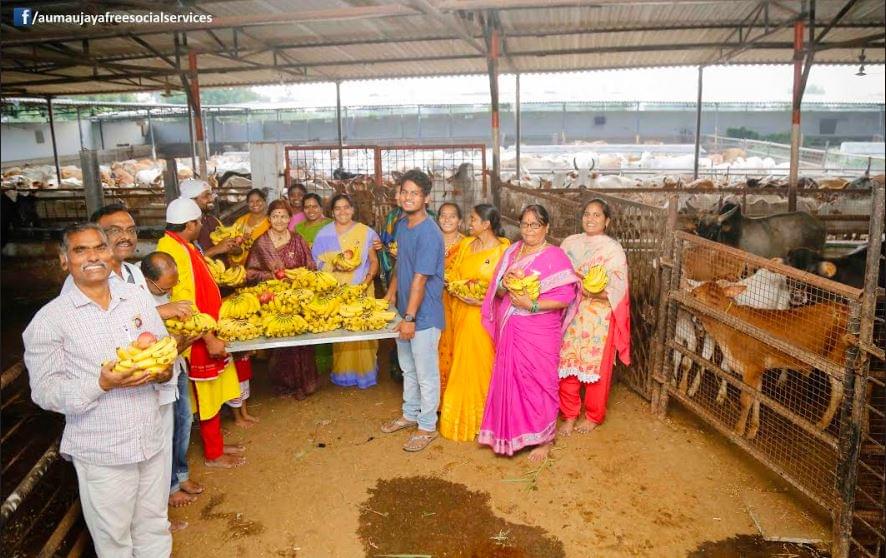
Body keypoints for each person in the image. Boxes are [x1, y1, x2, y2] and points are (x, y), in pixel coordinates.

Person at [24, 223, 174, 556]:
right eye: (81, 250)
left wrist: (163, 372)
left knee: (154, 524)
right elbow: (44, 391)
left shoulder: (137, 298)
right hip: (102, 450)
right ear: (64, 260)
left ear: (111, 254)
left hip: (150, 436)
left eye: (100, 248)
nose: (93, 257)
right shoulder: (50, 320)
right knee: (114, 540)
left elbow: (164, 352)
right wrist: (100, 384)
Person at [479, 204, 578, 462]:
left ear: (546, 227)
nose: (529, 229)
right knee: (511, 380)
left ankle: (544, 439)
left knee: (539, 381)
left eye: (535, 225)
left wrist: (531, 304)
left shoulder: (555, 256)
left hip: (539, 330)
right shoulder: (512, 252)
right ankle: (513, 434)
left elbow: (565, 297)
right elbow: (498, 291)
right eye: (525, 224)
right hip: (511, 328)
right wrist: (505, 283)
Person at [156, 197, 246, 469]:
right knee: (206, 393)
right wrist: (208, 337)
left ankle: (216, 442)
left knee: (214, 390)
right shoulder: (172, 251)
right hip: (198, 337)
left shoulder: (183, 245)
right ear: (189, 225)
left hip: (209, 329)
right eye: (198, 223)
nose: (200, 227)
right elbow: (184, 303)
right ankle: (213, 453)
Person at [380, 170, 445, 452]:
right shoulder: (403, 225)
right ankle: (410, 413)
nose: (408, 197)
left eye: (414, 193)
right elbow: (401, 265)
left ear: (426, 198)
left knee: (426, 373)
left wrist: (409, 318)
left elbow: (420, 279)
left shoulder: (429, 232)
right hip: (404, 309)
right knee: (407, 367)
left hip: (423, 315)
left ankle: (427, 426)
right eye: (404, 192)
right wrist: (391, 294)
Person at [558, 198, 631, 435]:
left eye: (597, 215)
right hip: (570, 313)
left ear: (607, 221)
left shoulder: (612, 249)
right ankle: (569, 414)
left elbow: (618, 286)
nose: (590, 219)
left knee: (596, 369)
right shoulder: (570, 243)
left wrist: (587, 290)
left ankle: (593, 415)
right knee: (567, 363)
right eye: (587, 214)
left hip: (599, 318)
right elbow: (558, 274)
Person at [141, 251, 207, 514]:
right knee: (164, 429)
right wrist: (161, 312)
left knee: (184, 420)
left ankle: (180, 473)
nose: (170, 291)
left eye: (173, 284)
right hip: (155, 373)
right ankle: (169, 486)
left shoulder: (164, 293)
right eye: (166, 287)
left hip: (176, 364)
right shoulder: (137, 296)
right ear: (149, 280)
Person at [440, 204, 510, 442]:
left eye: (473, 219)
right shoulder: (466, 244)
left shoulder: (503, 250)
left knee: (480, 363)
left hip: (483, 316)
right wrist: (455, 287)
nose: (469, 223)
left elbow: (505, 288)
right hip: (460, 310)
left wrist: (481, 300)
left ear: (486, 224)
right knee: (461, 360)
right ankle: (464, 418)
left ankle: (484, 420)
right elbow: (455, 275)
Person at [247, 200, 320, 399]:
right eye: (275, 216)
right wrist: (273, 276)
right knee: (281, 344)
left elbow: (311, 267)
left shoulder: (298, 240)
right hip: (273, 302)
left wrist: (299, 277)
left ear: (289, 219)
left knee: (302, 341)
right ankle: (284, 385)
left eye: (284, 216)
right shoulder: (261, 243)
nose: (279, 220)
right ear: (269, 219)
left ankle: (305, 383)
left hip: (298, 299)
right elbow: (250, 273)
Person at [312, 194, 381, 388]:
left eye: (346, 207)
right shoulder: (323, 234)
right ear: (332, 212)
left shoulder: (365, 232)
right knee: (342, 333)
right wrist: (335, 265)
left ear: (352, 209)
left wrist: (366, 282)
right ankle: (344, 374)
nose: (342, 211)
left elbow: (373, 261)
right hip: (336, 291)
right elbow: (316, 263)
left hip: (362, 288)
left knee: (365, 330)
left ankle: (366, 374)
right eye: (338, 208)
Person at [293, 192, 333, 374]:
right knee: (308, 318)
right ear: (303, 209)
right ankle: (310, 363)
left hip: (326, 278)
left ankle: (327, 361)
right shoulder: (298, 228)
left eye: (315, 206)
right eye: (307, 207)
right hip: (304, 279)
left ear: (321, 208)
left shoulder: (330, 225)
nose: (311, 210)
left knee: (325, 317)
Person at [437, 202, 465, 393]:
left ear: (460, 221)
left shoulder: (467, 244)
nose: (447, 219)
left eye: (452, 216)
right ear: (438, 219)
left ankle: (455, 392)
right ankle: (437, 393)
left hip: (459, 300)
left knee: (457, 343)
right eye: (443, 216)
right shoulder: (431, 241)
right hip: (433, 299)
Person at [181, 178, 241, 262]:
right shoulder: (184, 226)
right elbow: (187, 261)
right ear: (192, 201)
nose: (211, 199)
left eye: (211, 195)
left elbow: (227, 249)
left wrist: (234, 249)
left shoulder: (213, 220)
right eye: (206, 196)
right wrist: (215, 250)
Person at [228, 188, 270, 267]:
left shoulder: (271, 223)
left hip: (262, 267)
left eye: (258, 201)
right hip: (239, 267)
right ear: (247, 204)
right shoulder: (240, 221)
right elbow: (231, 242)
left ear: (265, 202)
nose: (255, 204)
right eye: (251, 201)